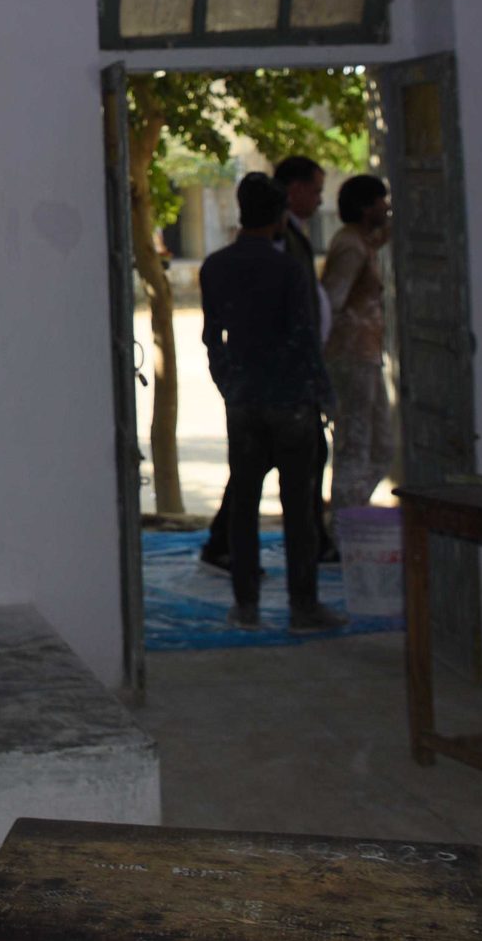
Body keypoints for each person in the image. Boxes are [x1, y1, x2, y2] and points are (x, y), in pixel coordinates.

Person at [199, 173, 347, 633]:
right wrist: (324, 397)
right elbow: (304, 341)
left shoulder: (215, 266)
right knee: (299, 506)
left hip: (244, 401)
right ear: (280, 216)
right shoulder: (288, 270)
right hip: (291, 402)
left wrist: (229, 385)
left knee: (244, 503)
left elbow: (212, 339)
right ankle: (303, 607)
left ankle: (246, 605)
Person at [320, 173, 395, 509]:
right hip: (350, 358)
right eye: (382, 200)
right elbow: (332, 301)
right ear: (367, 207)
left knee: (380, 446)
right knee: (354, 445)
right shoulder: (350, 245)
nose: (387, 206)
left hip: (364, 356)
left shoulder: (359, 242)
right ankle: (344, 528)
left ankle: (350, 518)